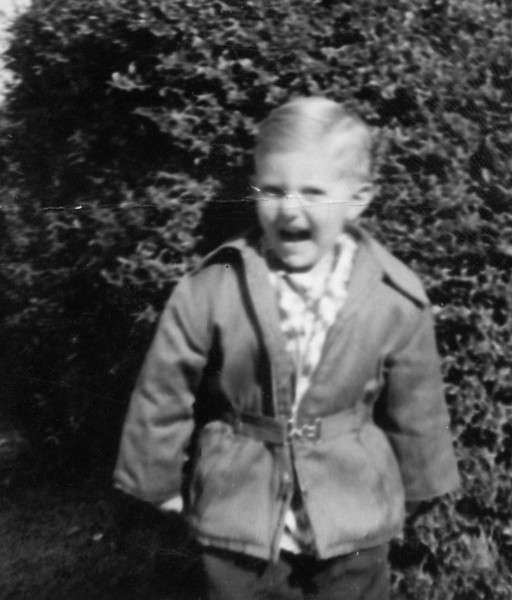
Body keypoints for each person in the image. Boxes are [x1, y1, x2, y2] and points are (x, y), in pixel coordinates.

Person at [113, 96, 460, 599]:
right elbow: (165, 386)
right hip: (240, 507)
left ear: (358, 198)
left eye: (313, 192)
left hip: (351, 508)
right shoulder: (215, 285)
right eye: (273, 190)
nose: (290, 209)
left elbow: (417, 405)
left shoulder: (393, 295)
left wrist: (418, 486)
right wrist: (157, 478)